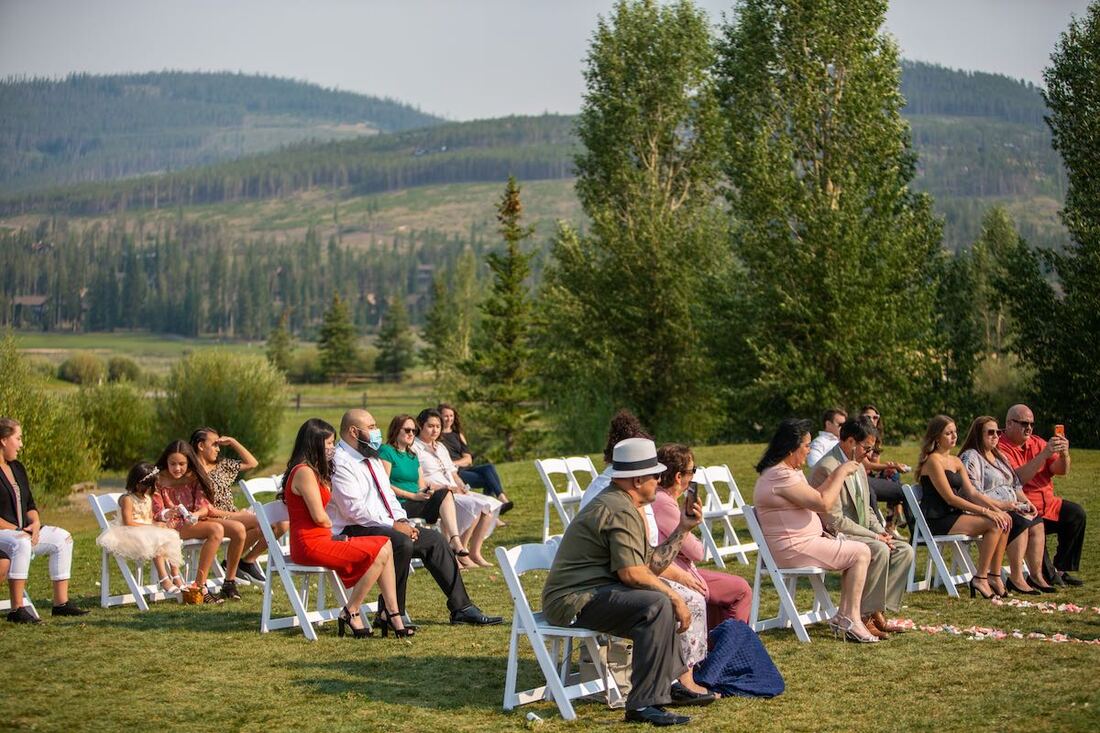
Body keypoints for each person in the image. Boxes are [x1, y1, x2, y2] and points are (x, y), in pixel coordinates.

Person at [543, 438, 715, 727]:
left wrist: (684, 528)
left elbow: (651, 565)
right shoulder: (619, 508)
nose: (659, 481)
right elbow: (632, 574)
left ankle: (662, 687)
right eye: (655, 476)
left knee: (659, 599)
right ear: (638, 479)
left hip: (592, 593)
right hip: (574, 600)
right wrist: (674, 598)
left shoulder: (625, 505)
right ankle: (645, 703)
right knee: (658, 602)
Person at [329, 409, 502, 627]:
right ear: (354, 431)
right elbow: (355, 510)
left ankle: (462, 608)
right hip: (352, 529)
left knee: (435, 541)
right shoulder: (340, 462)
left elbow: (388, 496)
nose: (377, 432)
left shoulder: (371, 458)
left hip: (383, 523)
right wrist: (394, 526)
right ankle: (391, 614)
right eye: (371, 427)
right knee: (400, 542)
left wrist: (402, 521)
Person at [282, 418, 410, 638]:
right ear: (314, 445)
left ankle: (393, 613)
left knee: (386, 543)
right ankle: (352, 610)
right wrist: (333, 529)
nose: (333, 448)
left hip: (324, 540)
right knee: (380, 550)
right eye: (329, 444)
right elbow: (320, 518)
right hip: (309, 544)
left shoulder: (314, 472)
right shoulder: (303, 472)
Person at [751, 418, 875, 642]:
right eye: (806, 446)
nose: (809, 451)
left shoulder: (789, 472)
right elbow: (823, 503)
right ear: (792, 448)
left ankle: (846, 616)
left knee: (858, 550)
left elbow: (815, 496)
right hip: (792, 549)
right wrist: (840, 472)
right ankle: (850, 618)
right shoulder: (779, 475)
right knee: (861, 552)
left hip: (801, 543)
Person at [808, 417, 914, 637]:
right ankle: (862, 616)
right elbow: (834, 520)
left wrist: (881, 531)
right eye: (867, 447)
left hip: (859, 532)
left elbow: (866, 509)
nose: (870, 453)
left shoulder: (857, 464)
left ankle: (875, 611)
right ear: (849, 442)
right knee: (880, 549)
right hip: (835, 535)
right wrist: (875, 538)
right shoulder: (828, 467)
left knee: (905, 550)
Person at [652, 443, 753, 630]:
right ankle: (731, 647)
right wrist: (691, 524)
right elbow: (697, 552)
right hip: (674, 574)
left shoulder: (658, 498)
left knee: (721, 595)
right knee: (741, 589)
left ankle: (714, 648)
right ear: (678, 476)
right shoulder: (664, 503)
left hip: (674, 571)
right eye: (693, 470)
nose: (693, 476)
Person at [0, 417, 88, 623]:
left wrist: (36, 524)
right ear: (4, 440)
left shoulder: (17, 467)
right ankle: (17, 609)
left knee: (62, 538)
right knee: (21, 541)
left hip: (23, 531)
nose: (21, 444)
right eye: (18, 438)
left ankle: (61, 604)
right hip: (6, 534)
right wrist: (18, 530)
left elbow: (30, 503)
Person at [914, 415, 1012, 600]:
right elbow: (950, 498)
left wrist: (996, 510)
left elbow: (973, 493)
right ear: (936, 437)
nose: (954, 436)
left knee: (1004, 520)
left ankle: (994, 575)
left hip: (954, 515)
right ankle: (981, 577)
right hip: (938, 519)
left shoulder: (956, 461)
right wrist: (985, 512)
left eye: (955, 432)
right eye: (948, 433)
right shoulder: (933, 461)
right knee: (994, 524)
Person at [958, 416, 1053, 594]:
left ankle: (1036, 576)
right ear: (979, 434)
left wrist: (1026, 502)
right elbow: (973, 494)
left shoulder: (998, 455)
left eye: (998, 432)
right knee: (1020, 521)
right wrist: (1005, 505)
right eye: (990, 432)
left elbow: (1015, 485)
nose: (996, 436)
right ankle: (1015, 578)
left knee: (1036, 521)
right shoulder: (971, 456)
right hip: (985, 510)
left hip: (1010, 506)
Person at [998, 404, 1085, 587]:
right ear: (1009, 424)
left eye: (1031, 424)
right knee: (1048, 578)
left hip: (1049, 504)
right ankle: (1045, 574)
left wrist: (1064, 455)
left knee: (1076, 514)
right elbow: (1017, 479)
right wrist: (1044, 455)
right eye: (1023, 423)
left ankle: (1061, 569)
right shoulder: (1001, 448)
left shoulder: (1037, 442)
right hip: (1026, 508)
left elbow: (1060, 470)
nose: (1028, 428)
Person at [380, 413, 477, 568]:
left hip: (418, 500)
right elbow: (383, 485)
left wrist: (427, 490)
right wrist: (413, 495)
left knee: (445, 494)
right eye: (407, 430)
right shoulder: (386, 451)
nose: (411, 433)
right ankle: (453, 551)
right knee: (446, 499)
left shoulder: (412, 455)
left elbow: (421, 483)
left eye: (413, 430)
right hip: (400, 504)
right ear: (396, 430)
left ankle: (455, 542)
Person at [412, 408, 501, 567]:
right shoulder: (415, 448)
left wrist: (463, 487)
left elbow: (453, 473)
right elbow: (420, 480)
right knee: (476, 505)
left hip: (454, 488)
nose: (435, 430)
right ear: (421, 425)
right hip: (437, 492)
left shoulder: (440, 447)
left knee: (490, 504)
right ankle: (459, 552)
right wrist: (446, 487)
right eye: (430, 426)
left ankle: (473, 552)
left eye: (438, 426)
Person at [152, 440, 234, 604]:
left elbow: (203, 504)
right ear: (166, 462)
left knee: (221, 528)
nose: (177, 468)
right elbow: (156, 511)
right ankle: (200, 586)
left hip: (191, 521)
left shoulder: (193, 477)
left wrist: (194, 515)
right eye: (172, 463)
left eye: (182, 464)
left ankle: (200, 583)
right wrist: (169, 512)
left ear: (189, 462)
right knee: (217, 529)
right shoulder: (158, 479)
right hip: (170, 526)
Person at [189, 427, 269, 583]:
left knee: (267, 525)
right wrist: (239, 515)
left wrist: (233, 442)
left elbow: (252, 463)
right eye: (214, 445)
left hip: (230, 514)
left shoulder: (222, 466)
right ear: (201, 446)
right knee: (262, 522)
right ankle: (236, 565)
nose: (218, 449)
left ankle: (240, 562)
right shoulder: (192, 470)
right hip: (211, 517)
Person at [97, 461, 185, 596]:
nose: (150, 489)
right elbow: (128, 522)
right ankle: (164, 579)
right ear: (137, 483)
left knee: (171, 535)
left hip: (145, 530)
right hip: (129, 532)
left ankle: (175, 574)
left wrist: (161, 523)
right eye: (148, 485)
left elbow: (149, 519)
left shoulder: (147, 499)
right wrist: (153, 527)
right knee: (156, 538)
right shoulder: (127, 499)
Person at [580, 409, 659, 548]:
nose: (658, 480)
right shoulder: (618, 500)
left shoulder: (601, 486)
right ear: (638, 479)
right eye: (655, 473)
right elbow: (643, 550)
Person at [438, 403, 514, 515]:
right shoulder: (437, 436)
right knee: (489, 481)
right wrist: (451, 465)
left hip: (466, 468)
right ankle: (494, 507)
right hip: (455, 473)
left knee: (489, 467)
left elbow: (468, 459)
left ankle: (498, 501)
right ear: (439, 417)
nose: (449, 419)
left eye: (451, 415)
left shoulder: (458, 435)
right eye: (446, 416)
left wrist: (454, 462)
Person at [857, 405, 911, 533]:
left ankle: (891, 523)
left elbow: (875, 465)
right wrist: (891, 465)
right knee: (894, 475)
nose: (872, 419)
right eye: (868, 417)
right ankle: (893, 518)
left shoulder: (876, 439)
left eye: (875, 417)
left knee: (893, 474)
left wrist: (890, 467)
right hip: (862, 476)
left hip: (870, 475)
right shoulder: (858, 436)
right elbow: (867, 465)